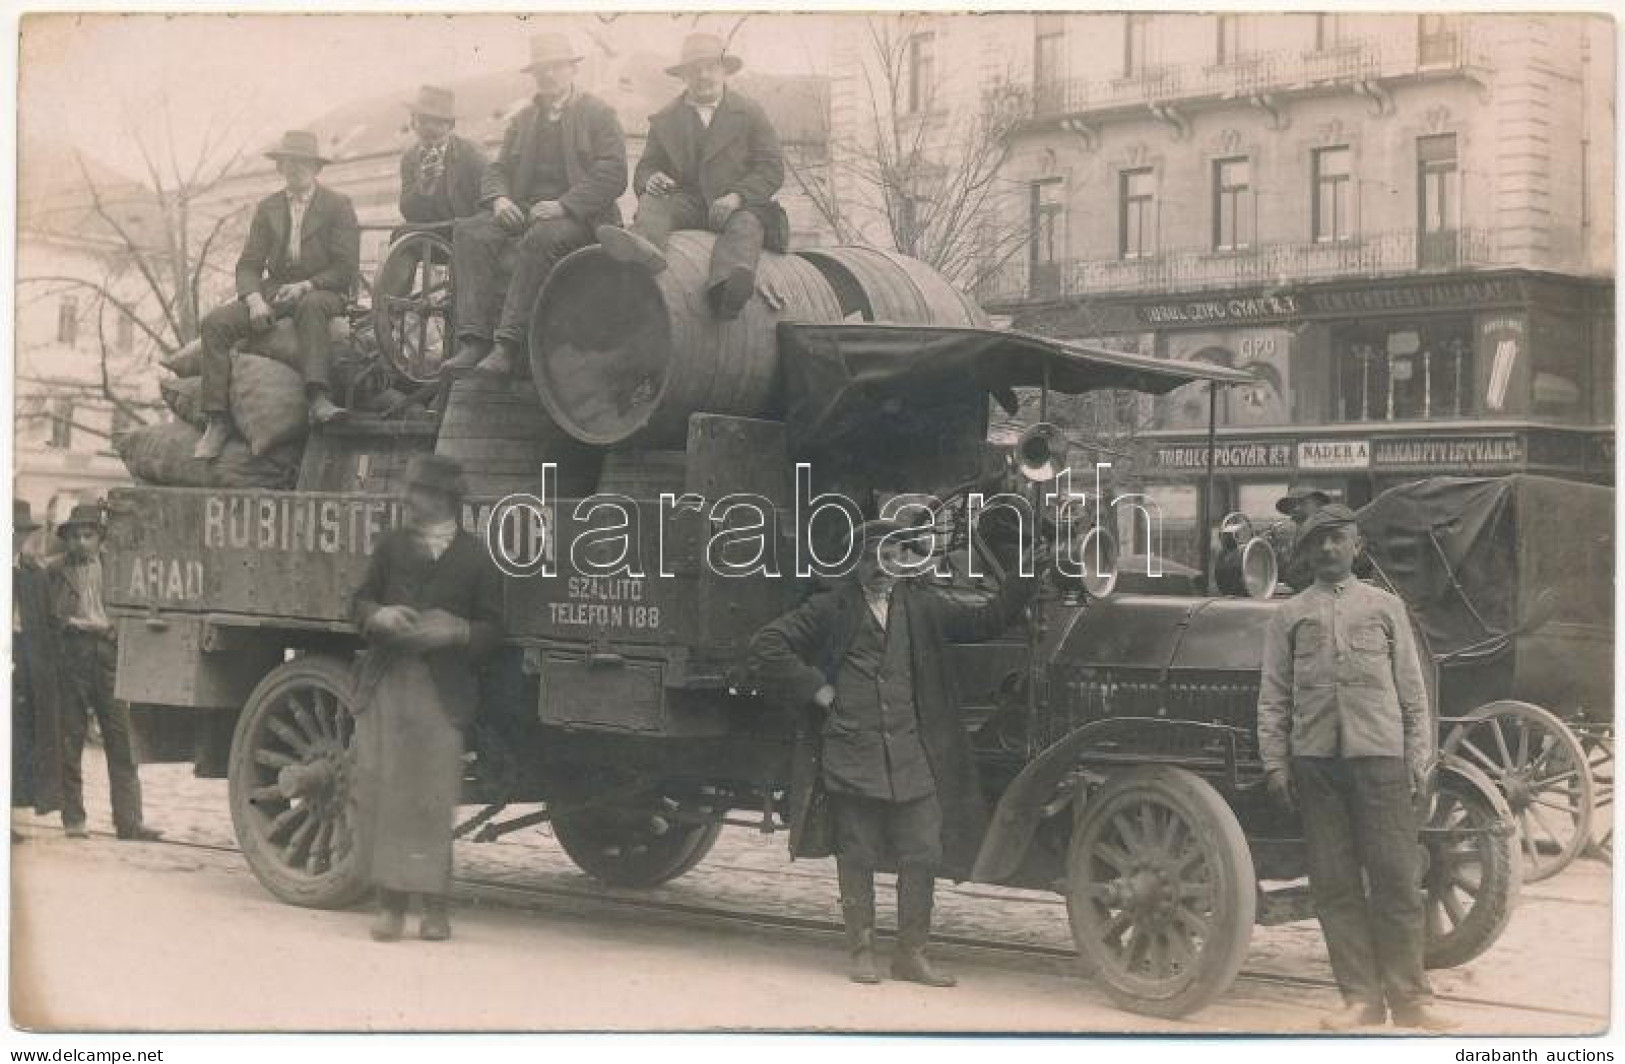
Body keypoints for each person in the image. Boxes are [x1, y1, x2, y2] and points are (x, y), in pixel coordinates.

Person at [750, 518, 1035, 986]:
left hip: (910, 753)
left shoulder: (922, 607)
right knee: (857, 851)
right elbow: (767, 645)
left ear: (904, 562)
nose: (884, 567)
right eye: (872, 558)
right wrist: (817, 690)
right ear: (856, 563)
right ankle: (862, 950)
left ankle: (911, 955)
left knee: (922, 850)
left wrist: (1025, 573)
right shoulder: (831, 607)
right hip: (852, 748)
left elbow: (986, 620)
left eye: (893, 556)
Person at [1255, 504, 1456, 1032]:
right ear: (1307, 550)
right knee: (1335, 885)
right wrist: (1276, 762)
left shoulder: (1386, 609)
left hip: (1381, 762)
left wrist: (1418, 759)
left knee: (1395, 879)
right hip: (1316, 765)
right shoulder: (1289, 615)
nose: (1327, 549)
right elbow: (1273, 696)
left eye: (1337, 539)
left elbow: (1414, 692)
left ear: (1356, 546)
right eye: (1317, 541)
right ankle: (1361, 1001)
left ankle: (1412, 1001)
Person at [350, 456, 504, 942]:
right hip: (391, 682)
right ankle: (391, 907)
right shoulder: (391, 547)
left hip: (446, 692)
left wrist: (458, 633)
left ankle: (435, 908)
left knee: (434, 797)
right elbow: (356, 603)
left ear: (443, 500)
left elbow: (495, 631)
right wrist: (379, 615)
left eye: (419, 493)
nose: (409, 500)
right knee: (389, 792)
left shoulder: (477, 557)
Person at [445, 33, 628, 379]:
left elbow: (614, 173)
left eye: (556, 67)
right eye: (541, 69)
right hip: (527, 209)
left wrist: (563, 205)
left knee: (540, 240)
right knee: (470, 231)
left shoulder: (599, 114)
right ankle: (473, 339)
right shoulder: (524, 118)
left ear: (572, 70)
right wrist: (499, 200)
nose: (548, 75)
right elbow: (498, 169)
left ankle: (506, 345)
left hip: (581, 218)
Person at [597, 32, 789, 320]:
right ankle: (640, 254)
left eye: (711, 67)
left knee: (746, 228)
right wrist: (651, 179)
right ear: (684, 76)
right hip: (687, 202)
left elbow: (772, 168)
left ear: (723, 70)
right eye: (695, 69)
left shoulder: (750, 112)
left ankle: (727, 292)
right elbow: (646, 167)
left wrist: (737, 196)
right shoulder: (665, 118)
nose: (703, 75)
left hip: (740, 206)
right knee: (654, 200)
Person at [194, 130, 360, 459]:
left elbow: (345, 267)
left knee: (311, 307)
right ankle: (216, 420)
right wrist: (254, 299)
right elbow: (248, 265)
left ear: (316, 168)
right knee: (215, 324)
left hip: (323, 289)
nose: (296, 168)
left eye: (303, 162)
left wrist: (308, 285)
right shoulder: (268, 207)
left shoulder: (338, 206)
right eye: (290, 162)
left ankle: (317, 397)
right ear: (280, 167)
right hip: (275, 289)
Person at [46, 503, 160, 842]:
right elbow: (49, 619)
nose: (82, 542)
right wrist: (72, 624)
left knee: (121, 740)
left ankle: (129, 822)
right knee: (71, 738)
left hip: (110, 657)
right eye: (75, 536)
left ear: (100, 538)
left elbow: (135, 612)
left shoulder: (119, 568)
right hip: (73, 658)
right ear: (67, 540)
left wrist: (113, 631)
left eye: (88, 535)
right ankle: (74, 819)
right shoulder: (54, 572)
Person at [12, 500, 66, 834]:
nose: (16, 538)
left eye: (19, 532)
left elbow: (50, 622)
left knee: (21, 737)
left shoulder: (33, 573)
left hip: (28, 659)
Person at [398, 85, 488, 224]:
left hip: (466, 228)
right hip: (431, 232)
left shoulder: (471, 153)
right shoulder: (409, 159)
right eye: (423, 120)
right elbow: (408, 213)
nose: (429, 127)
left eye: (438, 122)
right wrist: (423, 188)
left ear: (451, 126)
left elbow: (488, 200)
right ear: (412, 123)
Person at [1275, 485, 1332, 592]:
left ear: (1320, 506)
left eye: (1302, 503)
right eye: (1292, 504)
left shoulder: (1330, 535)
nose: (1296, 508)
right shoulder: (1287, 535)